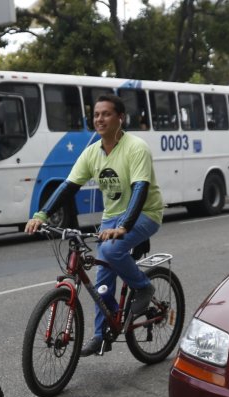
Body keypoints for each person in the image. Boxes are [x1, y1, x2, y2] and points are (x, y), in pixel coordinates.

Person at [25, 94, 164, 356]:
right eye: (96, 114)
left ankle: (143, 286)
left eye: (106, 114)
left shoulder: (136, 147)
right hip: (111, 218)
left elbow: (140, 188)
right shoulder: (92, 152)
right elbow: (69, 186)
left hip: (145, 213)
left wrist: (124, 226)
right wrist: (41, 215)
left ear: (120, 118)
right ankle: (102, 335)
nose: (99, 119)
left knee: (111, 251)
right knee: (101, 276)